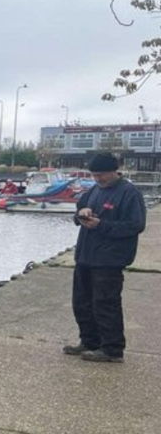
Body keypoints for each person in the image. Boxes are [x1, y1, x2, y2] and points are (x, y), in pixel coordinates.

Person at [63, 153, 146, 363]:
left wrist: (102, 225)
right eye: (94, 175)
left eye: (102, 175)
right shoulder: (93, 190)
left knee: (105, 303)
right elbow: (77, 212)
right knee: (81, 302)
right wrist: (82, 212)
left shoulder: (129, 193)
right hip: (86, 255)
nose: (98, 179)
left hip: (110, 259)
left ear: (114, 171)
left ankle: (112, 348)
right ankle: (90, 341)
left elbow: (136, 225)